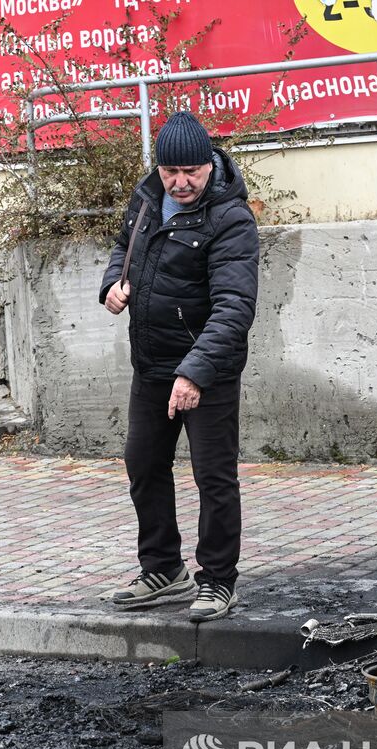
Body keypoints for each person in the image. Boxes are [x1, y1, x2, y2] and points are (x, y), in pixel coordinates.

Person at [100, 112, 260, 623]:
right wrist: (111, 284)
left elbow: (234, 306)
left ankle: (218, 581)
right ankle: (164, 570)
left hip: (206, 372)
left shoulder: (231, 220)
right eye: (172, 172)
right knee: (143, 465)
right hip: (151, 366)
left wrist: (194, 373)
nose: (181, 182)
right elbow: (123, 247)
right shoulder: (148, 198)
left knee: (214, 478)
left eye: (191, 171)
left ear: (210, 165)